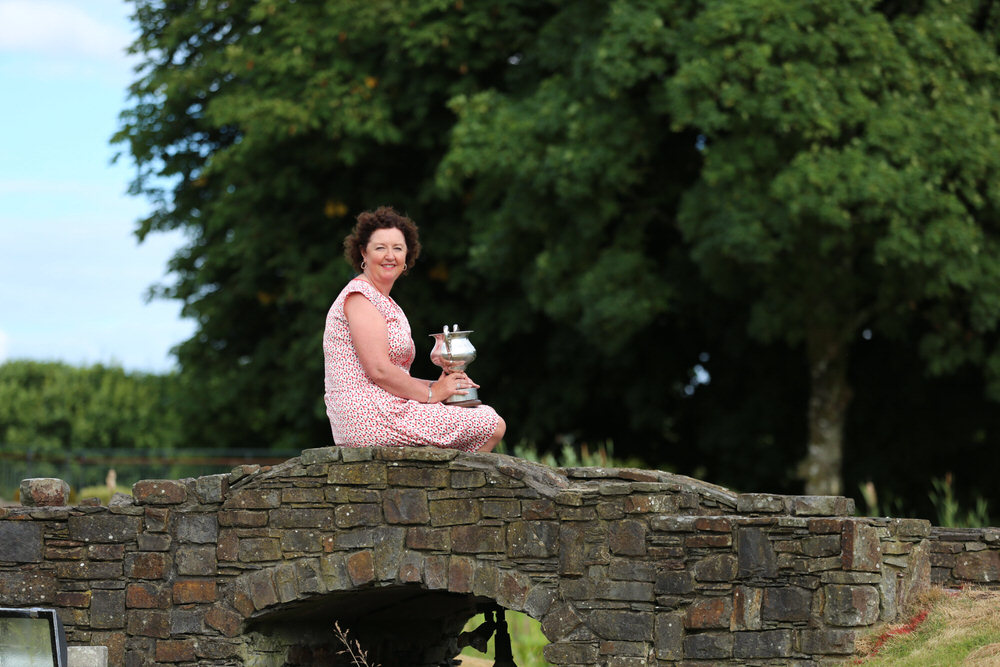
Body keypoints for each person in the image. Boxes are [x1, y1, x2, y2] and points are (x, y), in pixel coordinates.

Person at [323, 206, 506, 452]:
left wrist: (439, 387)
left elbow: (392, 374)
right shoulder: (361, 297)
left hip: (386, 408)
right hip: (369, 417)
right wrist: (432, 394)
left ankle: (443, 488)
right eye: (380, 248)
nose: (390, 255)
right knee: (490, 423)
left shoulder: (385, 301)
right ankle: (449, 491)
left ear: (407, 256)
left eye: (397, 248)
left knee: (484, 417)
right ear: (363, 253)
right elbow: (379, 370)